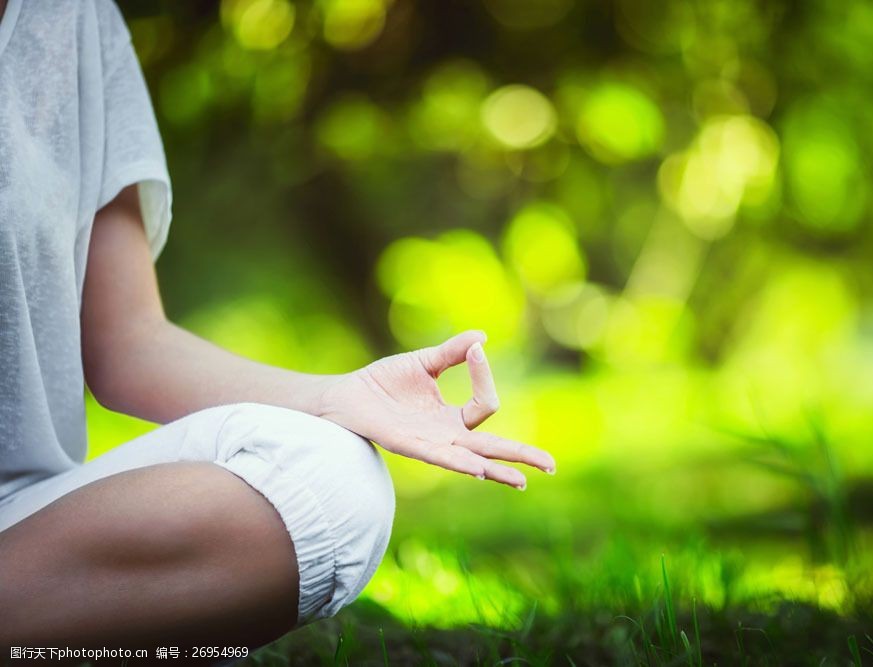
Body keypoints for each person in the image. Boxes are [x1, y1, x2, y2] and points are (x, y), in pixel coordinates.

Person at [0, 0, 556, 650]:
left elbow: (128, 344)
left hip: (23, 532)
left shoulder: (73, 19)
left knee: (335, 480)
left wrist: (337, 397)